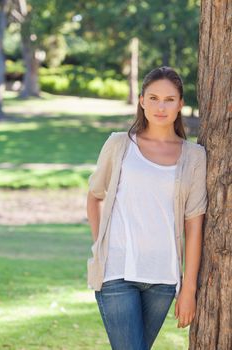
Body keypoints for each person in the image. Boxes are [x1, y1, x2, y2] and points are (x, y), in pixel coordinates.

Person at [86, 66, 208, 350]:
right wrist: (100, 245)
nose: (160, 106)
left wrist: (188, 288)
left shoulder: (194, 156)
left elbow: (194, 225)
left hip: (162, 279)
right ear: (141, 100)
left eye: (168, 99)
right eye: (153, 98)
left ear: (180, 104)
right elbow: (95, 196)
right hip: (117, 273)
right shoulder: (119, 145)